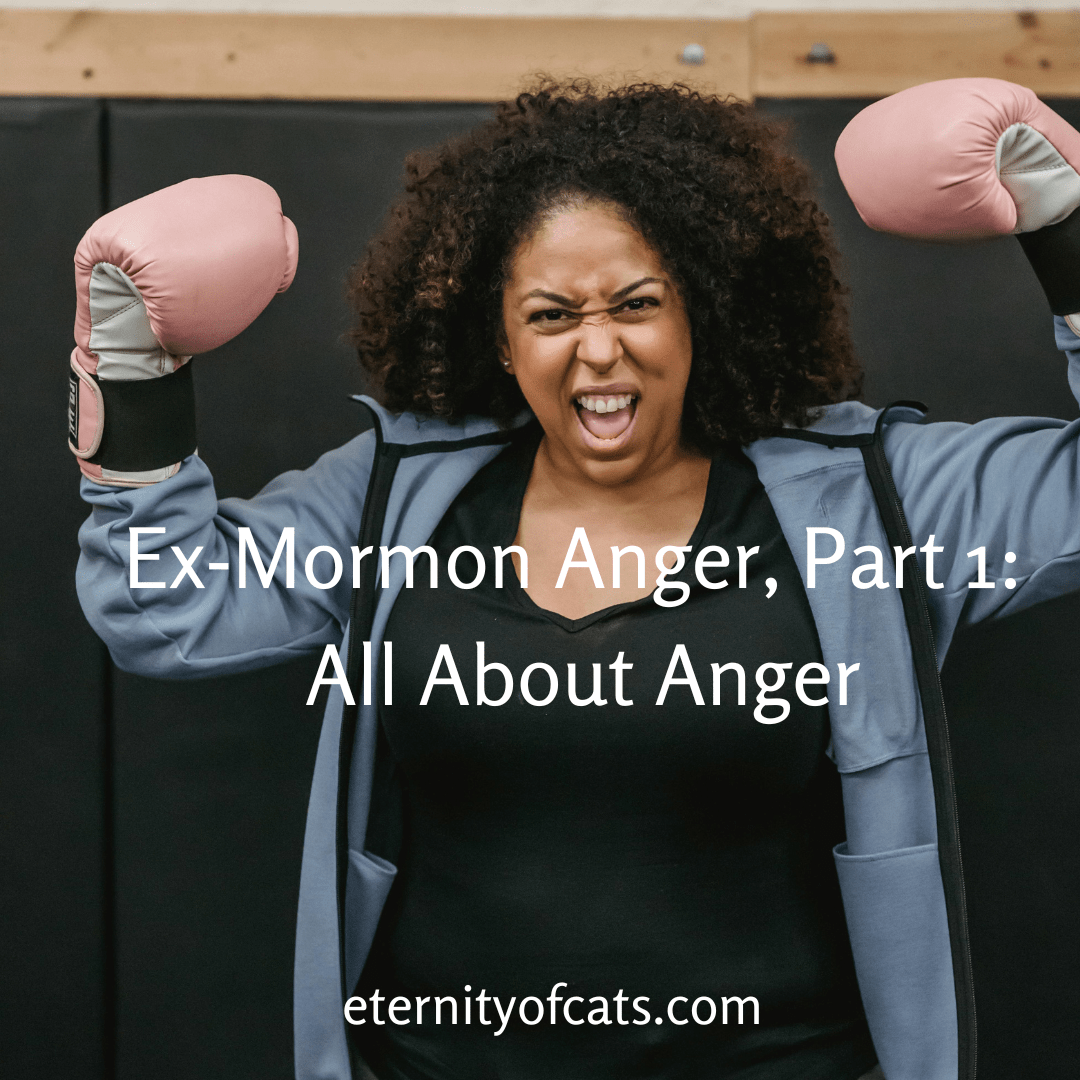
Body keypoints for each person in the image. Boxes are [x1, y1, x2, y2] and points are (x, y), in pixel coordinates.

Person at [71, 79, 1080, 1080]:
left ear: (704, 311)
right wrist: (131, 373)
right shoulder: (396, 493)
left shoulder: (868, 497)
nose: (599, 348)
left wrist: (1065, 221)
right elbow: (167, 606)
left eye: (639, 304)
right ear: (502, 340)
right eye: (552, 314)